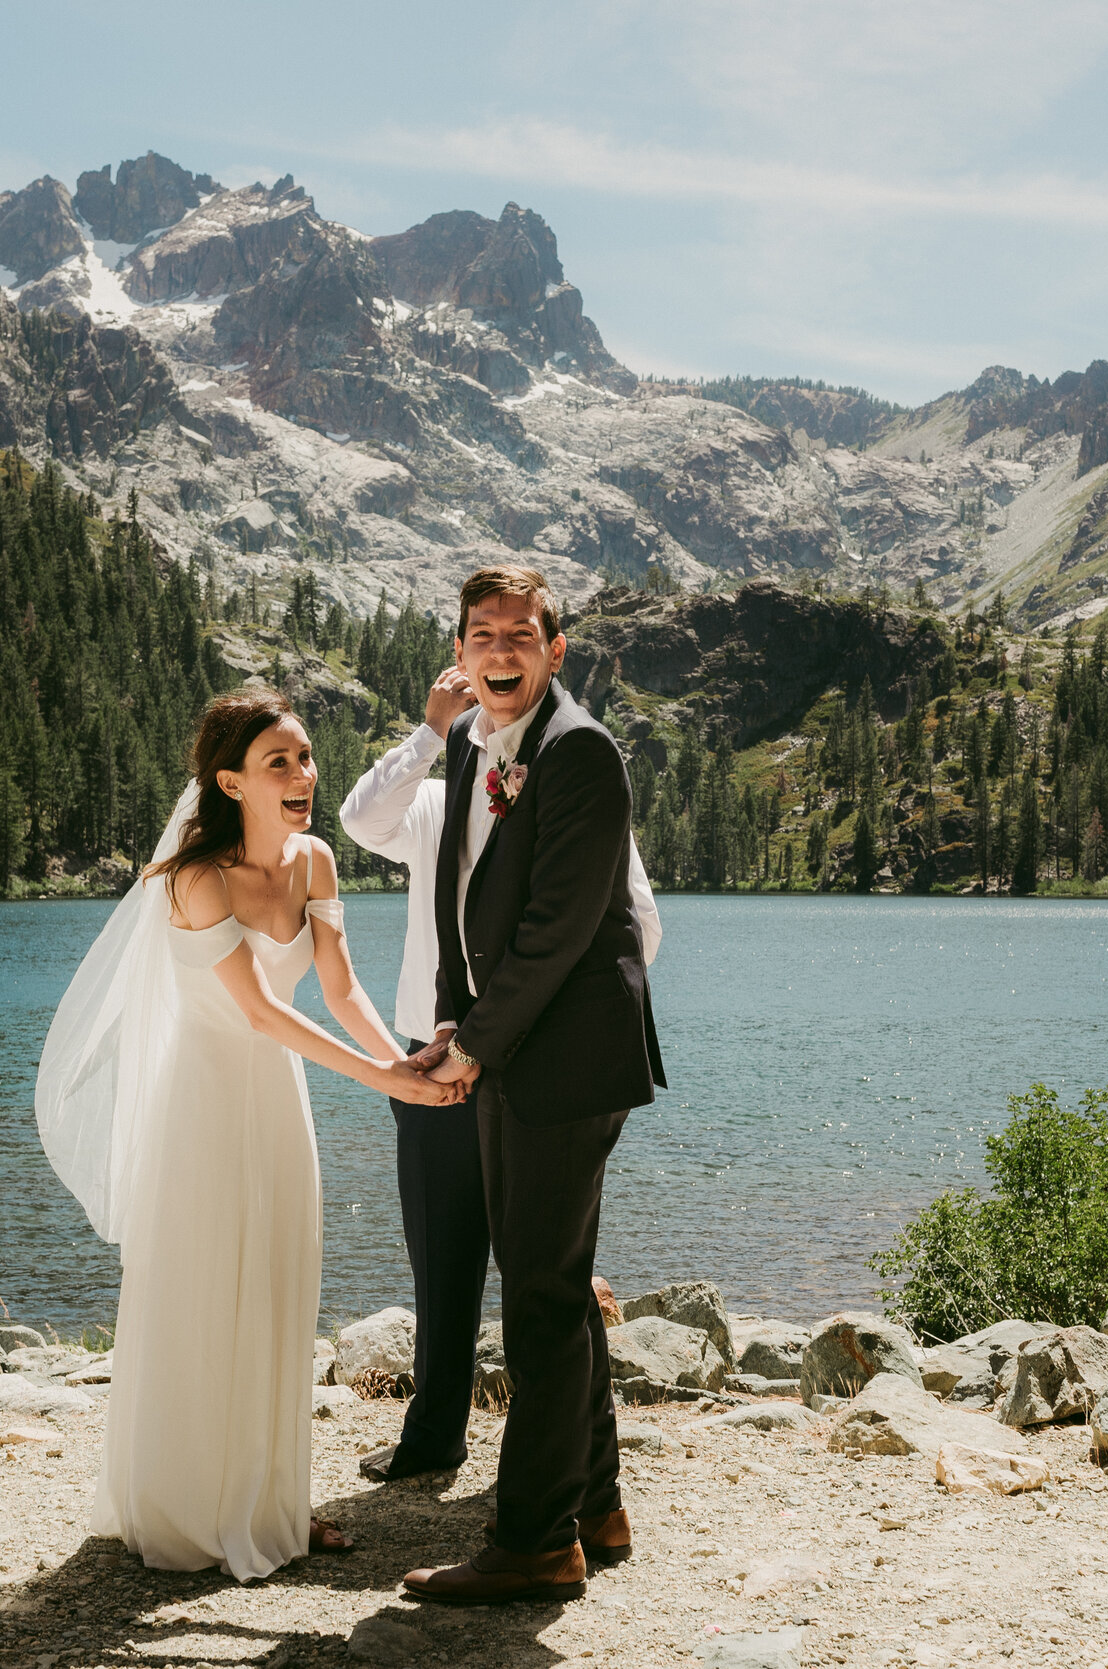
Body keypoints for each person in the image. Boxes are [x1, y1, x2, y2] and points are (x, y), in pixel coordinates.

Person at [34, 689, 463, 1583]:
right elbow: (262, 1011)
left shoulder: (315, 862)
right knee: (203, 1291)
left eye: (306, 757)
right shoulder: (196, 878)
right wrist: (386, 1081)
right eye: (280, 761)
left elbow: (340, 993)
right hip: (204, 1105)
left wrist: (411, 1062)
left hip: (279, 1105)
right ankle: (190, 1505)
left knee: (276, 1291)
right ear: (229, 781)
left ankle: (273, 1504)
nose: (304, 774)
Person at [402, 565, 664, 1606]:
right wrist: (447, 1020)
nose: (500, 649)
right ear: (460, 653)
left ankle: (533, 1539)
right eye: (482, 633)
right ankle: (592, 1501)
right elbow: (460, 903)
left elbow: (559, 932)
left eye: (521, 632)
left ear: (556, 651)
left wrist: (474, 1047)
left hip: (569, 1055)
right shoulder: (474, 747)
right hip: (511, 1046)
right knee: (550, 1274)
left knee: (541, 1295)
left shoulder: (582, 751)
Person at [339, 663, 664, 1485]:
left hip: (528, 1067)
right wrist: (431, 732)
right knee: (441, 1262)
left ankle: (567, 1484)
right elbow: (356, 816)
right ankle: (434, 1435)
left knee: (542, 1277)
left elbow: (637, 927)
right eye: (475, 648)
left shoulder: (568, 786)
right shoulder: (436, 799)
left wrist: (534, 1025)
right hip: (434, 1063)